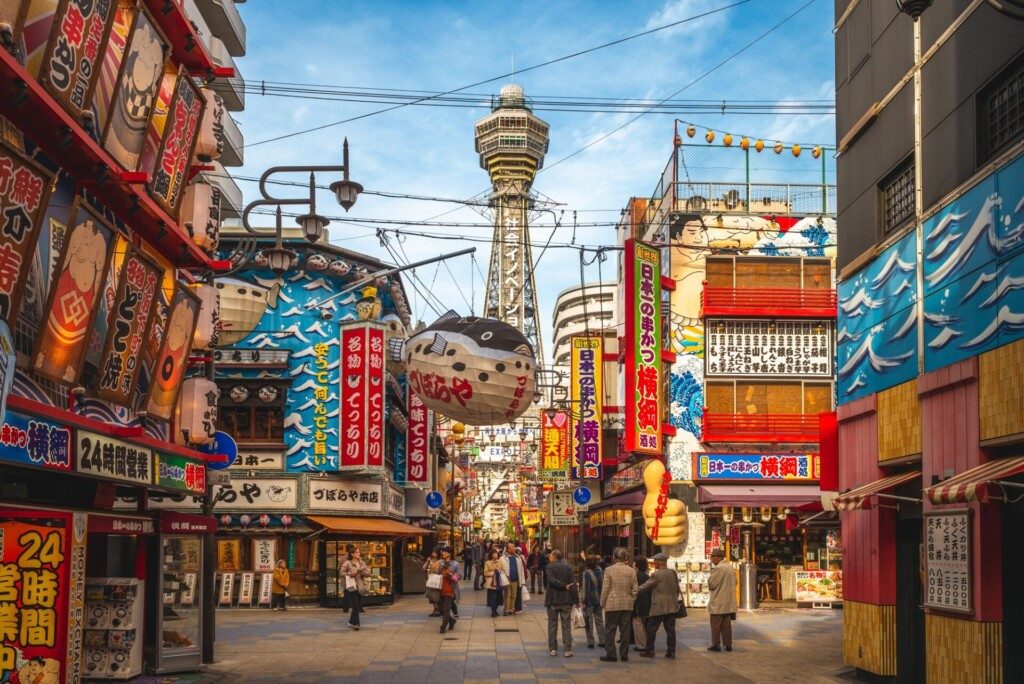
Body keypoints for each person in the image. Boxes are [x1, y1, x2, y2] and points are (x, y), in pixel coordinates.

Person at [638, 553, 681, 659]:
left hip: (659, 607)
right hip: (671, 606)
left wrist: (633, 589)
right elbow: (677, 588)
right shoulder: (672, 572)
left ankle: (649, 651)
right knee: (670, 630)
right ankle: (671, 652)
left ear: (659, 562)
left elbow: (645, 587)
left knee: (651, 628)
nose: (654, 564)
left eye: (655, 562)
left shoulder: (657, 575)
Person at [599, 547, 637, 663]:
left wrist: (602, 603)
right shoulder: (632, 570)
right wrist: (631, 600)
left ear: (614, 558)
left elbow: (605, 589)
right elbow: (635, 589)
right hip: (627, 604)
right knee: (625, 630)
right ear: (625, 558)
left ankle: (611, 654)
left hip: (612, 604)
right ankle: (624, 654)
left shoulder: (609, 570)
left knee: (610, 629)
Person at [544, 549, 577, 657]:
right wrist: (576, 600)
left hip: (553, 600)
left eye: (550, 556)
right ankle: (567, 649)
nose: (549, 557)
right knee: (566, 625)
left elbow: (551, 580)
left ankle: (553, 648)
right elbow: (573, 584)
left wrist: (563, 586)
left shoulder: (549, 567)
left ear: (554, 556)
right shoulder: (568, 567)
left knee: (552, 625)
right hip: (567, 600)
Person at [707, 548, 737, 652]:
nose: (711, 559)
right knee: (726, 625)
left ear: (718, 557)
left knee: (715, 625)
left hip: (718, 602)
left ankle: (716, 645)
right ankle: (728, 645)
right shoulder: (729, 567)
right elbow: (735, 582)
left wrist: (709, 579)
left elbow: (712, 583)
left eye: (713, 557)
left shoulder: (719, 568)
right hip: (728, 601)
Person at [340, 545, 371, 630]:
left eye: (359, 552)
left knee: (357, 604)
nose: (359, 553)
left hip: (359, 585)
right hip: (350, 585)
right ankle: (357, 623)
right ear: (353, 554)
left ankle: (351, 621)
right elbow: (341, 573)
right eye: (357, 552)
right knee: (355, 604)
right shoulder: (347, 562)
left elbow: (368, 572)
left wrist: (362, 571)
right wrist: (349, 574)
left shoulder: (361, 562)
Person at [580, 555, 604, 649]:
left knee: (589, 621)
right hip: (599, 598)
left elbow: (585, 588)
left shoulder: (586, 573)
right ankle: (602, 640)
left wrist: (583, 600)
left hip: (590, 600)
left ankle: (590, 642)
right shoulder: (600, 571)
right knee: (599, 620)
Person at [438, 547, 462, 634]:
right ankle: (451, 621)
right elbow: (436, 572)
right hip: (440, 588)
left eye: (445, 552)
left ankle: (443, 627)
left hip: (450, 588)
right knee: (440, 609)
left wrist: (451, 575)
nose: (443, 553)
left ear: (449, 554)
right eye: (443, 551)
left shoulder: (456, 564)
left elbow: (459, 576)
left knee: (446, 609)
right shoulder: (441, 562)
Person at [499, 542, 526, 616]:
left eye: (514, 547)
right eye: (512, 547)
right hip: (507, 580)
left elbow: (521, 570)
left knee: (514, 596)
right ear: (508, 549)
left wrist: (522, 580)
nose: (514, 548)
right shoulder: (502, 558)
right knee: (507, 595)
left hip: (515, 580)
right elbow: (499, 569)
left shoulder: (518, 557)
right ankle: (506, 610)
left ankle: (512, 609)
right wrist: (502, 577)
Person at [631, 556, 650, 651]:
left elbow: (634, 591)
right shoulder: (647, 576)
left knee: (638, 624)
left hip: (638, 604)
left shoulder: (636, 576)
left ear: (637, 564)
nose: (633, 564)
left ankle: (641, 644)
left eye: (634, 562)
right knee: (644, 624)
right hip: (647, 603)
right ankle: (645, 642)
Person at [483, 547, 504, 617]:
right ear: (492, 555)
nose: (496, 554)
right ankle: (493, 612)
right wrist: (493, 573)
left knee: (499, 598)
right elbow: (485, 573)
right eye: (495, 553)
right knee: (493, 598)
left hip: (499, 582)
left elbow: (502, 570)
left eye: (497, 553)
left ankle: (495, 610)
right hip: (491, 583)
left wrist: (499, 572)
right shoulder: (487, 563)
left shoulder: (499, 562)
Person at [423, 549, 442, 617]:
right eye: (433, 552)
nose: (434, 554)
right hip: (430, 580)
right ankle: (435, 609)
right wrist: (428, 562)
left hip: (437, 580)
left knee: (436, 595)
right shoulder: (430, 560)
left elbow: (438, 571)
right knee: (430, 595)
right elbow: (424, 568)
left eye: (435, 553)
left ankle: (438, 610)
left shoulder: (440, 561)